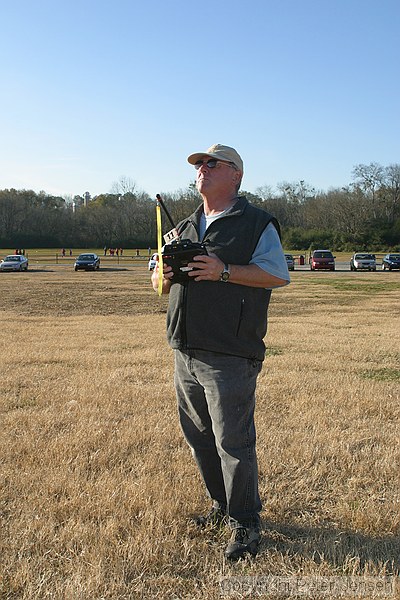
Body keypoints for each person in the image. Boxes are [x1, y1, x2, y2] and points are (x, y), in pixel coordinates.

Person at [151, 144, 290, 560]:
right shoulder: (185, 227)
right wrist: (162, 273)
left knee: (233, 440)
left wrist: (223, 271)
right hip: (185, 347)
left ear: (236, 175)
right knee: (199, 437)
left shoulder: (255, 223)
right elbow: (157, 285)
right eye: (199, 165)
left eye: (213, 163)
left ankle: (246, 521)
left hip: (230, 351)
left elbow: (277, 275)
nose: (202, 170)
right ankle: (221, 505)